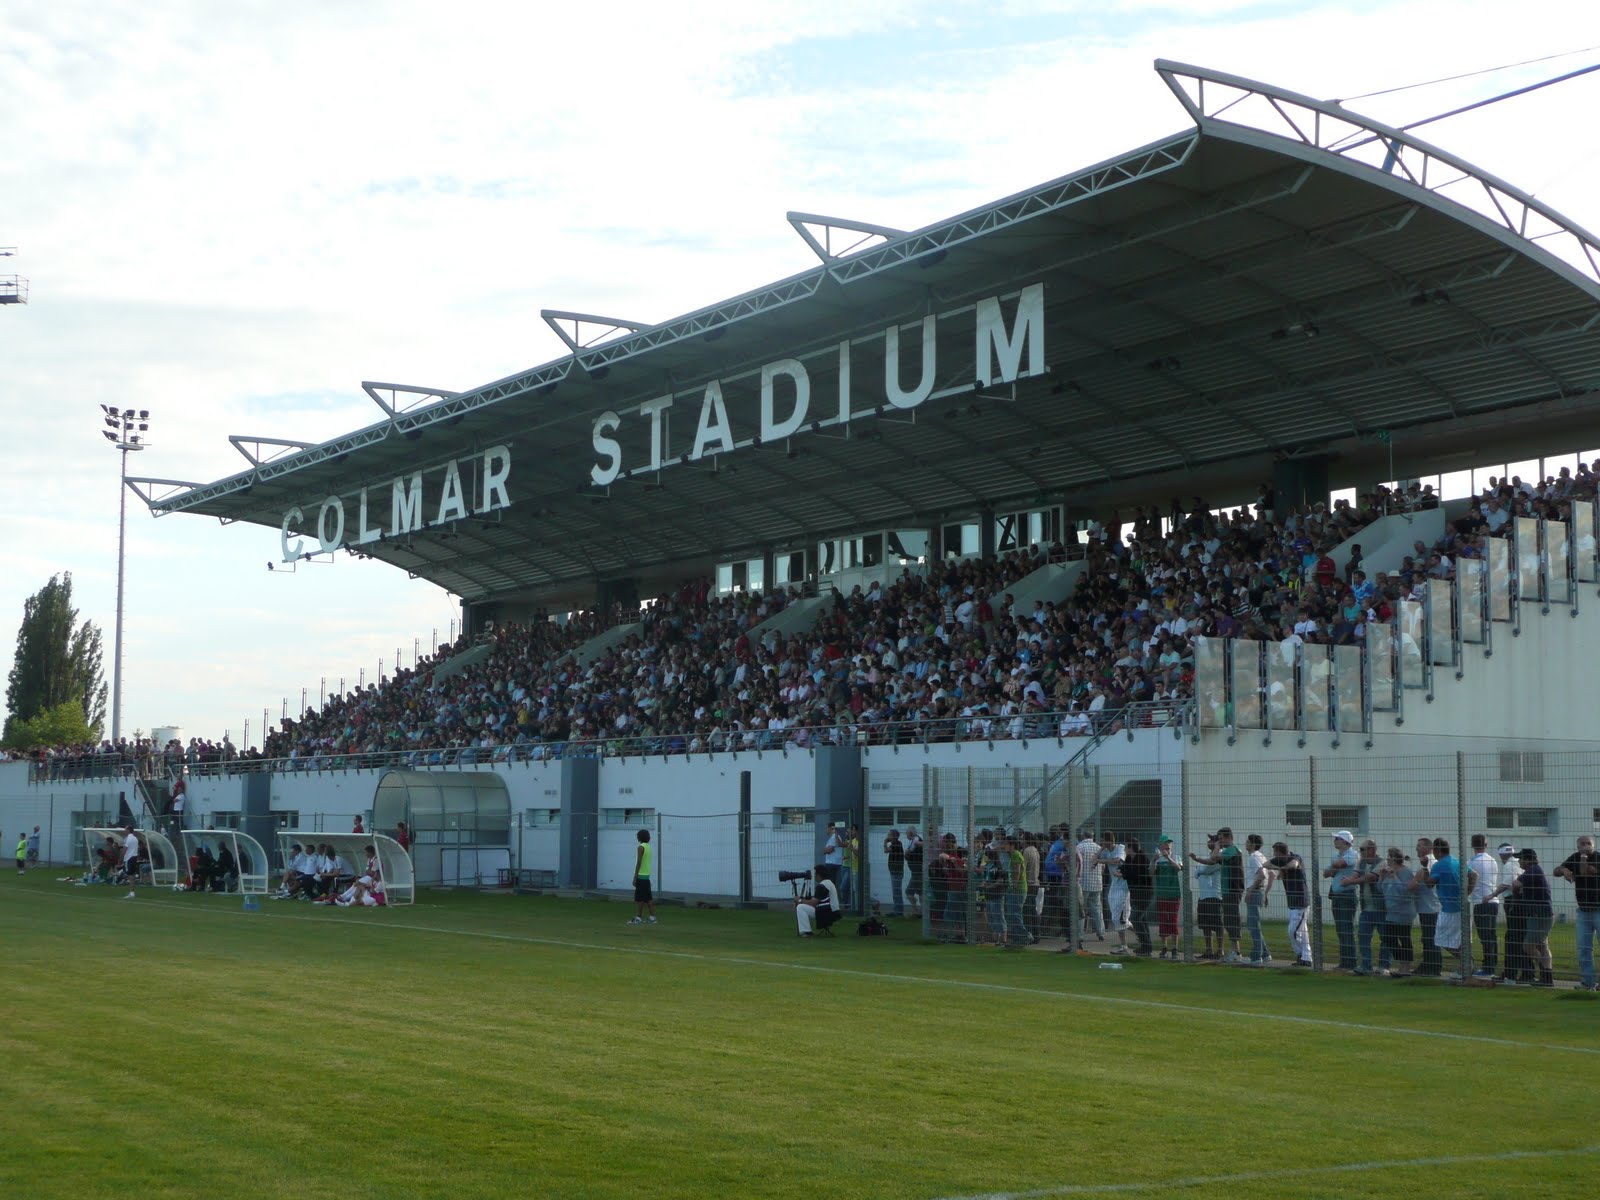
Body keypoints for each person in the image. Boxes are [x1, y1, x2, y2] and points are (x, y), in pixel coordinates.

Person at [1554, 834, 1600, 991]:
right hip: (1583, 911)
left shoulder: (1597, 858)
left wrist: (1582, 857)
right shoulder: (1574, 857)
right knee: (1583, 948)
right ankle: (1588, 982)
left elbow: (1585, 871)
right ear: (1577, 845)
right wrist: (1565, 869)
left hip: (1599, 909)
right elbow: (1556, 871)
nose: (1585, 845)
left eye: (1588, 843)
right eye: (1582, 843)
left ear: (1594, 845)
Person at [1512, 848, 1554, 988]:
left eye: (1521, 859)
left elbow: (1515, 884)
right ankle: (1547, 978)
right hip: (1538, 914)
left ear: (1529, 860)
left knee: (1528, 946)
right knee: (1542, 945)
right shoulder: (1534, 871)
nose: (1519, 861)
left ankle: (1546, 971)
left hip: (1539, 915)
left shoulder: (1533, 871)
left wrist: (1516, 896)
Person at [1350, 839, 1391, 976]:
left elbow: (1370, 877)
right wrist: (1352, 879)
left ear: (1372, 850)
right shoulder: (1360, 862)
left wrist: (1350, 881)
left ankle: (1384, 966)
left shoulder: (1382, 862)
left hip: (1381, 908)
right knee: (1363, 936)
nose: (1360, 852)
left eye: (1363, 849)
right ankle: (1366, 965)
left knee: (1385, 938)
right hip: (1366, 908)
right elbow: (1356, 874)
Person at [1268, 841, 1311, 966]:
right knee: (1302, 932)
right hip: (1292, 902)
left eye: (1275, 852)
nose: (1274, 855)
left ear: (1281, 852)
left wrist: (1283, 869)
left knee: (1293, 931)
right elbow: (1266, 864)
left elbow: (1294, 864)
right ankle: (1306, 958)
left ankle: (1300, 954)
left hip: (1301, 901)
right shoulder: (1279, 861)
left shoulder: (1295, 857)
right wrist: (1279, 868)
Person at [1426, 837, 1464, 974]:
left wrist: (1425, 867)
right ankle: (1464, 965)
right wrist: (1466, 892)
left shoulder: (1439, 865)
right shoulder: (1456, 861)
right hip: (1460, 905)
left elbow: (1429, 884)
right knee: (1457, 938)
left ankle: (1466, 962)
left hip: (1449, 908)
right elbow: (1474, 875)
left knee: (1441, 939)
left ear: (1437, 851)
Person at [1377, 848, 1418, 977]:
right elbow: (1380, 889)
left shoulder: (1405, 872)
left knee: (1404, 938)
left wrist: (1394, 877)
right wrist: (1382, 877)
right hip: (1391, 911)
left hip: (1404, 911)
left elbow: (1405, 891)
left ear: (1394, 858)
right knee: (1388, 938)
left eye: (1389, 857)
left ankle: (1405, 967)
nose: (1387, 859)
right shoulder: (1388, 872)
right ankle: (1402, 961)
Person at [1323, 830, 1360, 971]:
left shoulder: (1353, 854)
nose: (1335, 841)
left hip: (1347, 895)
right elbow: (1326, 873)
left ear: (1345, 841)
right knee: (1340, 929)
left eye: (1337, 838)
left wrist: (1334, 867)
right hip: (1337, 895)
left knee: (1346, 928)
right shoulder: (1335, 855)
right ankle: (1344, 961)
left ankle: (1350, 961)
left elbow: (1339, 865)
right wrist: (1334, 866)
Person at [1492, 843, 1528, 985]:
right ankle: (1524, 972)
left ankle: (1511, 972)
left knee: (1513, 937)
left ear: (1501, 854)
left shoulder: (1509, 865)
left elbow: (1508, 884)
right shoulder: (1517, 863)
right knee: (1520, 937)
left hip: (1513, 902)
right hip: (1519, 902)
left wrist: (1492, 894)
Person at [1466, 834, 1500, 979]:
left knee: (1485, 936)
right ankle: (1492, 964)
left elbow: (1468, 878)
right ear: (1486, 844)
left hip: (1481, 901)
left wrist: (1466, 892)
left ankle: (1488, 967)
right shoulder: (1492, 860)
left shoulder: (1471, 862)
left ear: (1472, 845)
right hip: (1493, 901)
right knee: (1491, 936)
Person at [1412, 837, 1443, 977]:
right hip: (1426, 905)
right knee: (1427, 938)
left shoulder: (1429, 862)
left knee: (1431, 938)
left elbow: (1417, 883)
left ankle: (1434, 968)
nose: (1416, 848)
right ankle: (1427, 965)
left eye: (1419, 845)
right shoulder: (1426, 862)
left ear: (1429, 848)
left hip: (1431, 906)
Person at [1242, 834, 1274, 965]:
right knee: (1255, 924)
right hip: (1259, 891)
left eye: (1248, 842)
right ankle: (1265, 954)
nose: (1246, 843)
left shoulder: (1254, 857)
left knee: (1253, 925)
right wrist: (1266, 893)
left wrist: (1250, 890)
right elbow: (1271, 875)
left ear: (1253, 845)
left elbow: (1261, 875)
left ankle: (1256, 956)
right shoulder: (1261, 856)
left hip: (1254, 892)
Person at [1191, 834, 1223, 959]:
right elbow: (1196, 872)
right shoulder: (1205, 857)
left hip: (1215, 895)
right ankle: (1208, 950)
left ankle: (1220, 951)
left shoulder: (1219, 857)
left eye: (1211, 840)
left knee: (1218, 925)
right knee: (1205, 925)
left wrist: (1201, 869)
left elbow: (1207, 869)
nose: (1208, 842)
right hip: (1203, 896)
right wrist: (1201, 869)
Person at [1152, 836, 1183, 959]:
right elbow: (1151, 873)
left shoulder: (1176, 857)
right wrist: (1154, 860)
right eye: (1165, 843)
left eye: (1169, 843)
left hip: (1174, 894)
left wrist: (1168, 858)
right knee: (1163, 920)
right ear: (1160, 845)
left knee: (1173, 920)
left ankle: (1174, 948)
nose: (1168, 845)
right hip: (1161, 894)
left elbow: (1178, 868)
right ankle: (1164, 947)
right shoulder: (1157, 859)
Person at [1100, 833, 1131, 954]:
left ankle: (1124, 946)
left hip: (1123, 886)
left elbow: (1117, 860)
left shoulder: (1120, 848)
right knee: (1120, 918)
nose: (1102, 843)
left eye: (1104, 841)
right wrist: (1101, 851)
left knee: (1117, 917)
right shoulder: (1106, 851)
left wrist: (1100, 860)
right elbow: (1093, 858)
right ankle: (1139, 934)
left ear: (1109, 841)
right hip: (1114, 885)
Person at [1075, 828, 1105, 943]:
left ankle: (1080, 935)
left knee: (1080, 910)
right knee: (1097, 909)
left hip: (1083, 883)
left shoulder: (1080, 848)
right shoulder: (1098, 848)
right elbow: (1103, 866)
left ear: (1083, 836)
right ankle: (1100, 932)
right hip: (1096, 883)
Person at [796, 866, 840, 937]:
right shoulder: (829, 883)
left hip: (827, 913)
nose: (814, 876)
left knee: (800, 907)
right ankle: (806, 931)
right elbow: (818, 899)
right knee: (803, 906)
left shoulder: (821, 886)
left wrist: (799, 900)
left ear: (819, 875)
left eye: (815, 874)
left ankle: (806, 932)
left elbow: (813, 903)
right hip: (834, 912)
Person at [626, 829, 657, 925]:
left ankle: (638, 917)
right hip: (647, 876)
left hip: (641, 876)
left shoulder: (640, 847)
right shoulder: (648, 847)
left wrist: (635, 876)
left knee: (639, 898)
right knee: (648, 898)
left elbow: (639, 862)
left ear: (640, 837)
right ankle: (652, 917)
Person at [883, 828, 906, 918]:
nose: (887, 836)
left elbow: (885, 850)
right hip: (895, 871)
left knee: (896, 891)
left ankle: (898, 911)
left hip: (897, 872)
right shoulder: (895, 844)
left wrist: (885, 842)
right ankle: (897, 910)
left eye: (889, 835)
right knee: (896, 891)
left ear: (893, 836)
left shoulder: (896, 844)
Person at [903, 827, 924, 918]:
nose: (906, 835)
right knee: (921, 892)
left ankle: (916, 911)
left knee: (909, 892)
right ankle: (922, 912)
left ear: (911, 833)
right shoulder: (913, 841)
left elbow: (908, 852)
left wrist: (906, 854)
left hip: (917, 872)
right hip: (917, 871)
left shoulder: (916, 840)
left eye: (907, 833)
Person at [121, 825, 141, 900]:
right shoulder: (135, 838)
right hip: (134, 857)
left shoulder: (128, 838)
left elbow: (125, 849)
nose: (124, 831)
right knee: (131, 875)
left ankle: (131, 892)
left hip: (129, 858)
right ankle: (132, 892)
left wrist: (121, 859)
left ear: (128, 830)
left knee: (130, 875)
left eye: (125, 829)